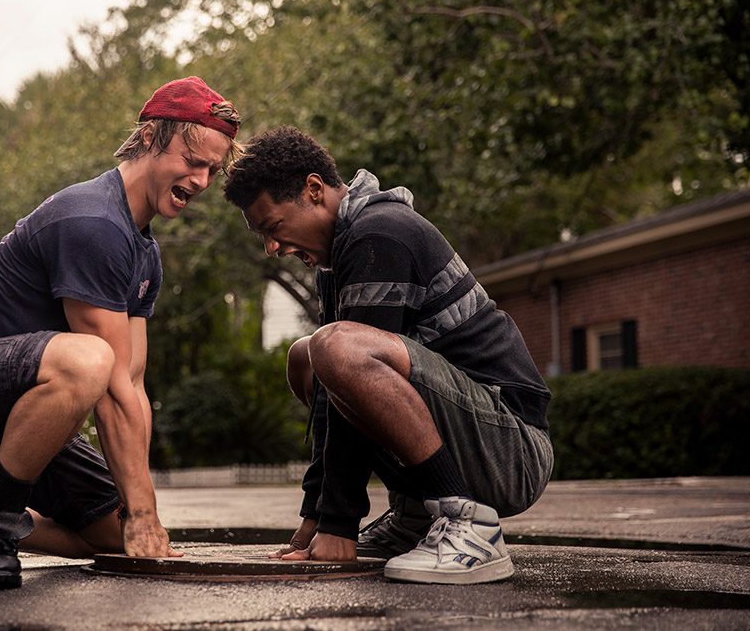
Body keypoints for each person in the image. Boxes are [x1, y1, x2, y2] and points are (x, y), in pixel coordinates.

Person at [0, 76, 242, 591]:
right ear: (152, 136)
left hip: (13, 416)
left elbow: (132, 385)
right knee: (89, 361)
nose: (201, 181)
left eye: (211, 171)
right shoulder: (93, 221)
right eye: (193, 161)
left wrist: (139, 511)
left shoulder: (144, 253)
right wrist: (144, 510)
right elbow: (107, 382)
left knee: (114, 535)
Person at [221, 126, 552, 584]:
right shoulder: (339, 258)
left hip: (512, 451)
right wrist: (316, 523)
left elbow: (349, 363)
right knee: (308, 357)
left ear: (314, 190)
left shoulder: (380, 235)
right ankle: (417, 519)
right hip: (478, 438)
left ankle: (467, 524)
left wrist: (339, 526)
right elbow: (337, 398)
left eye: (273, 227)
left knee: (332, 347)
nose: (272, 248)